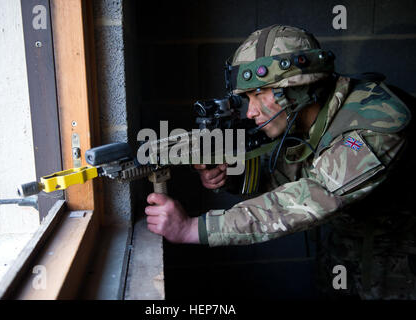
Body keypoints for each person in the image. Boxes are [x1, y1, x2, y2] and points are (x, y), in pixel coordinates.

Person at [144, 25, 416, 299]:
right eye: (248, 98)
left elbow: (311, 196)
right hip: (344, 255)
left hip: (399, 268)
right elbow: (284, 180)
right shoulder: (304, 121)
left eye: (260, 94)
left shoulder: (377, 121)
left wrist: (194, 229)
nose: (250, 112)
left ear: (297, 90)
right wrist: (231, 177)